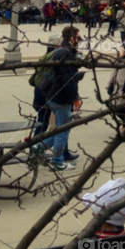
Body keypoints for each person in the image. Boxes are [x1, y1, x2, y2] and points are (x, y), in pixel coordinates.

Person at [32, 26, 84, 170]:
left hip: (52, 95)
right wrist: (75, 99)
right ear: (72, 38)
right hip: (61, 98)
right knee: (63, 130)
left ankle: (40, 146)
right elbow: (68, 80)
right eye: (78, 38)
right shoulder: (67, 54)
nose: (80, 40)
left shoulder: (60, 51)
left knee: (61, 128)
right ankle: (57, 160)